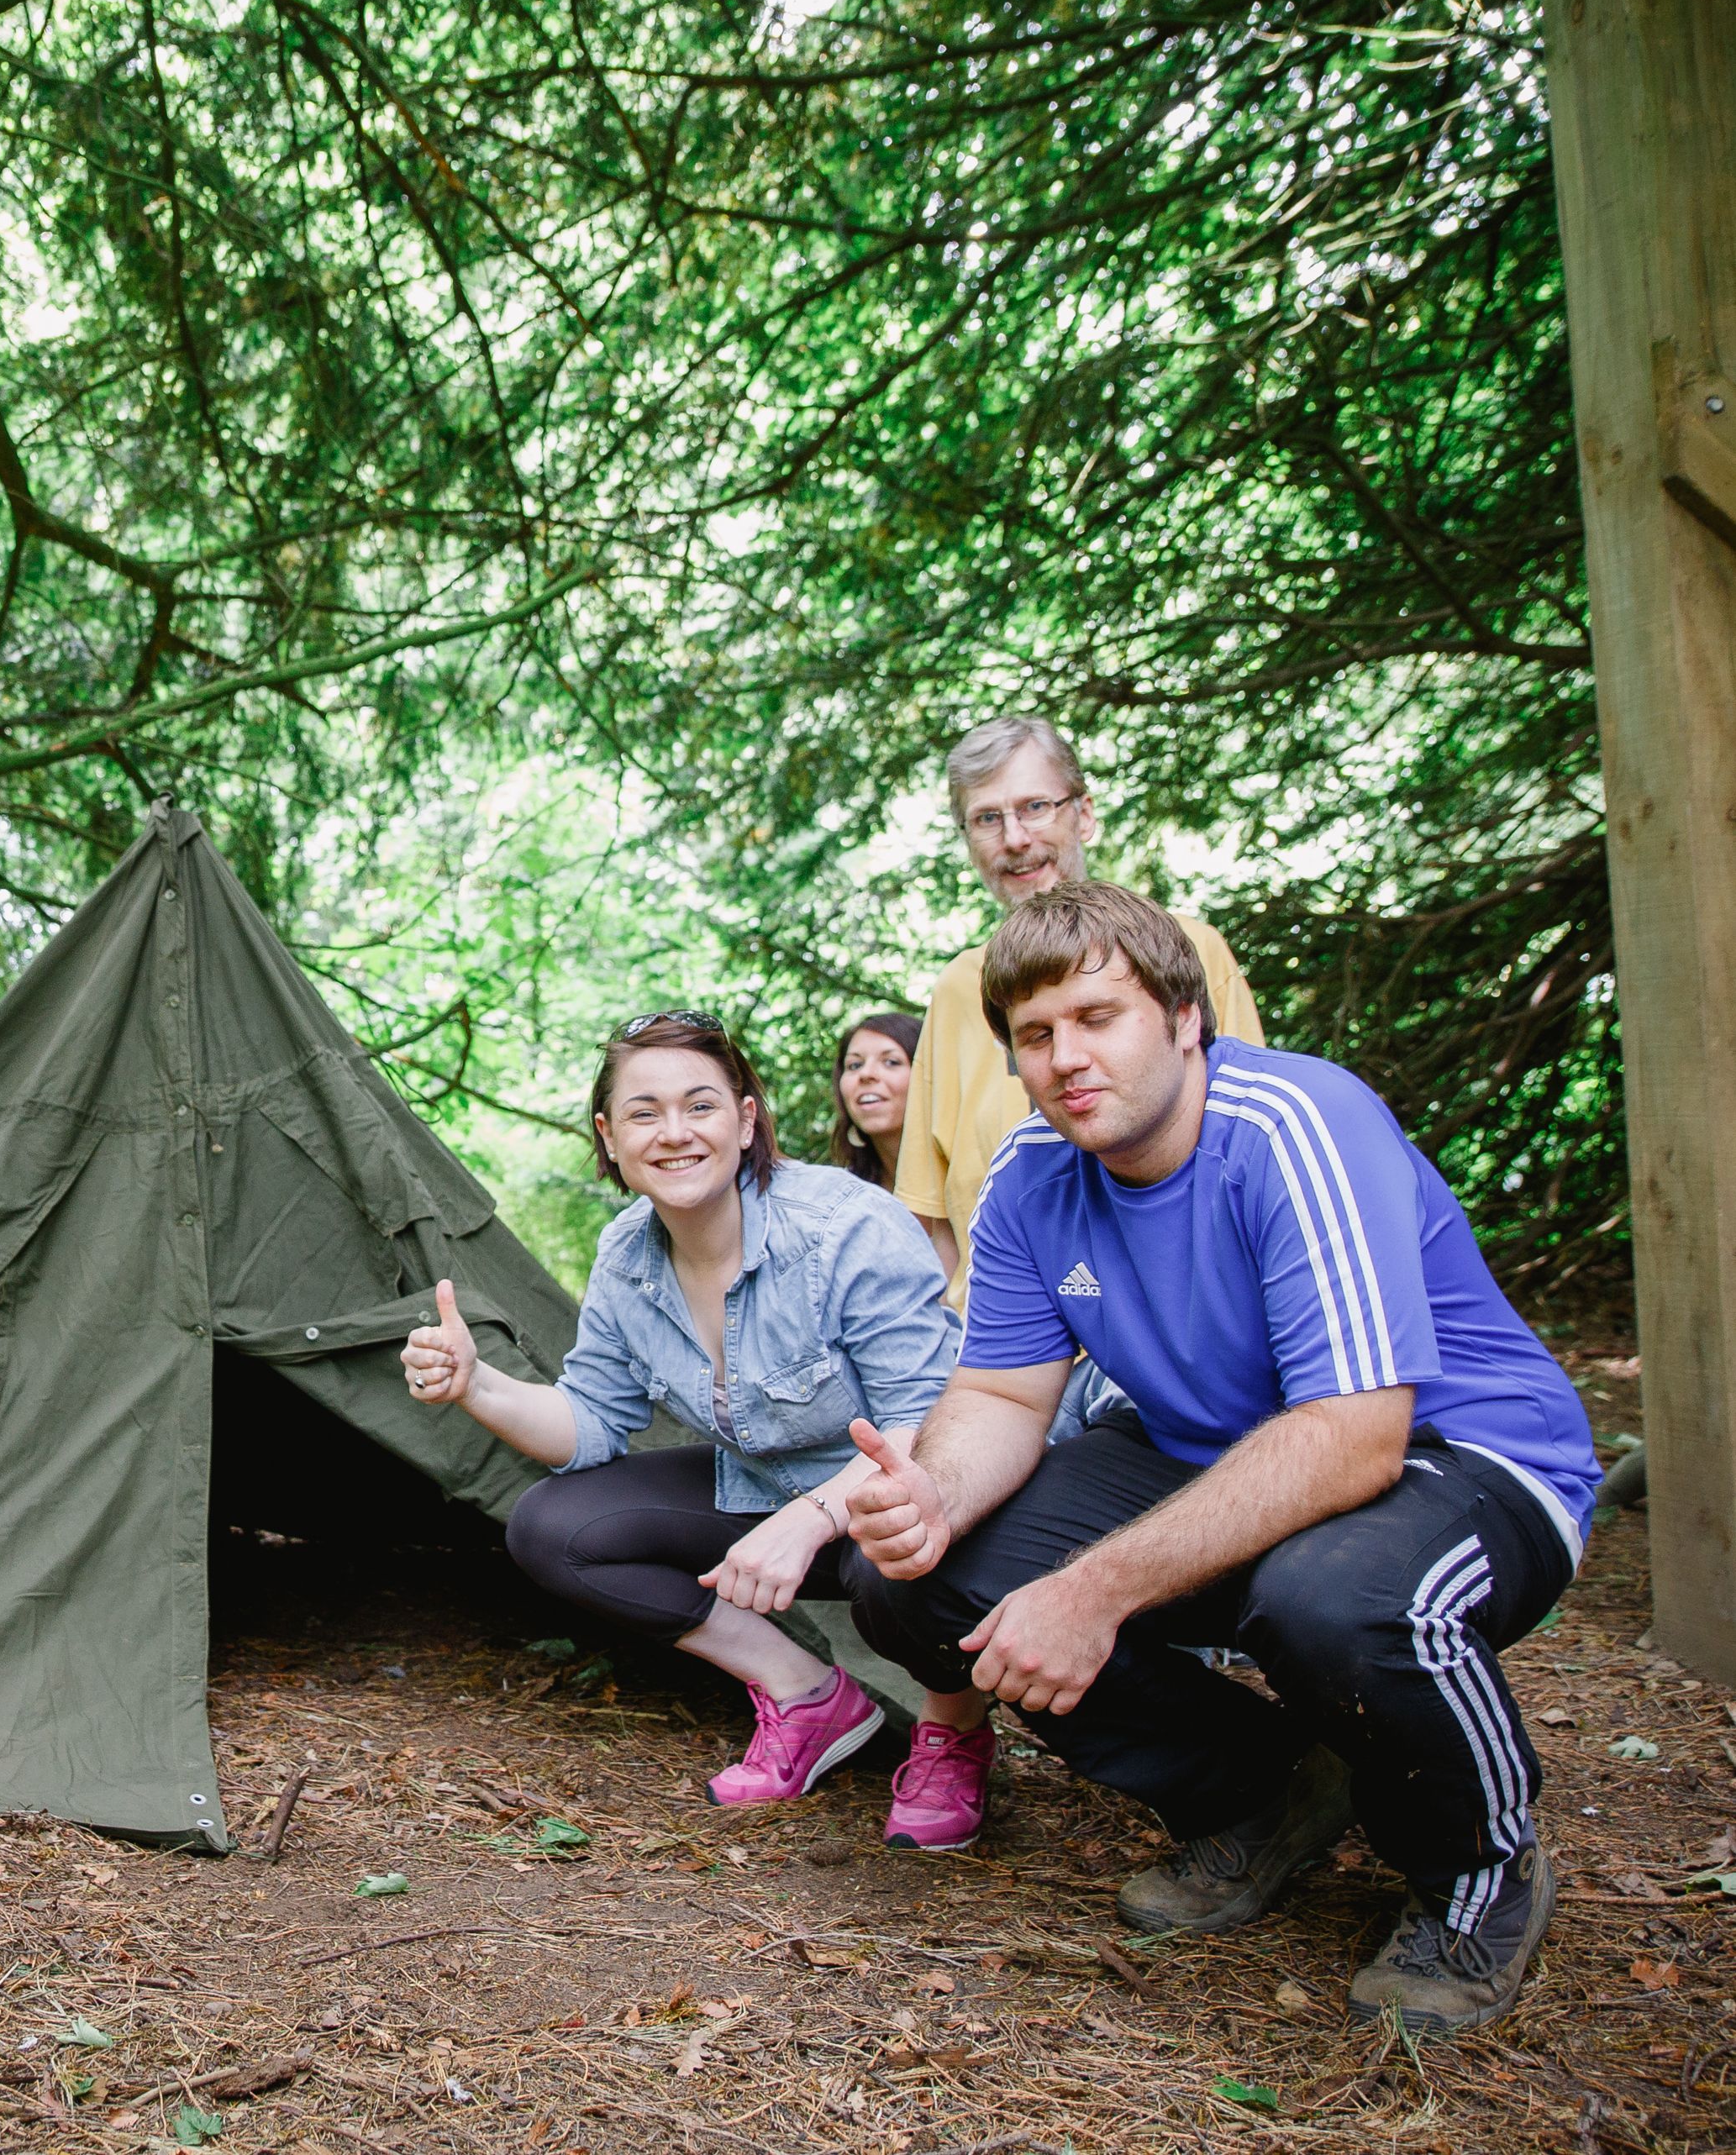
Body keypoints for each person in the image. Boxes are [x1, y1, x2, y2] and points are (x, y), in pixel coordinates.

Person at [839, 884, 1600, 2034]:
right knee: (909, 1579)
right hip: (1207, 1446)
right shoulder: (1032, 1175)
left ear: (1186, 1017)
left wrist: (1094, 1588)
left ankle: (1479, 1867)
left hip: (1468, 1453)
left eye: (1100, 1015)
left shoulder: (1296, 1123)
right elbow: (1001, 1389)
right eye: (1036, 1034)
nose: (1067, 1056)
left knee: (1331, 1599)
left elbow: (1354, 1432)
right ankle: (1269, 1786)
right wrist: (932, 1494)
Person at [401, 1011, 997, 1850]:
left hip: (897, 1494)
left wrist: (813, 1519)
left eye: (700, 1106)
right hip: (760, 1494)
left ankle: (952, 1728)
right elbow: (588, 1424)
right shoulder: (627, 1257)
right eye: (643, 1113)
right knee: (554, 1528)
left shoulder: (842, 1228)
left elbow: (932, 1421)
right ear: (609, 1138)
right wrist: (477, 1384)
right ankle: (806, 1695)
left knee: (891, 1558)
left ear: (746, 1119)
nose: (673, 1133)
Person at [893, 717, 1263, 1305]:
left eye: (1036, 806)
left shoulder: (1186, 950)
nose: (1015, 838)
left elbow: (1255, 1159)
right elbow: (930, 1218)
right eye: (988, 818)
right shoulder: (961, 989)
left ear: (1083, 814)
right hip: (1003, 1345)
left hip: (1173, 1331)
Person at [829, 1012, 922, 1189]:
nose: (866, 1074)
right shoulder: (843, 1197)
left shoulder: (975, 1175)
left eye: (891, 1062)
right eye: (855, 1065)